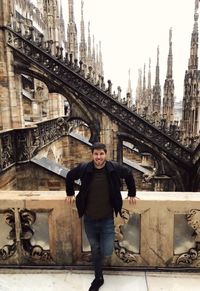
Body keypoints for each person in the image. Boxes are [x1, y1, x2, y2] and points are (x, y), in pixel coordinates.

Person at [65, 142, 138, 291]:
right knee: (95, 249)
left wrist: (132, 193)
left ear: (105, 154)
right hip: (89, 219)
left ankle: (98, 258)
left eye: (101, 154)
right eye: (96, 154)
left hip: (106, 219)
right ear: (92, 155)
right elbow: (69, 176)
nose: (98, 157)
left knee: (107, 250)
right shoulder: (85, 168)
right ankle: (98, 278)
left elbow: (129, 174)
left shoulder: (113, 168)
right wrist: (70, 193)